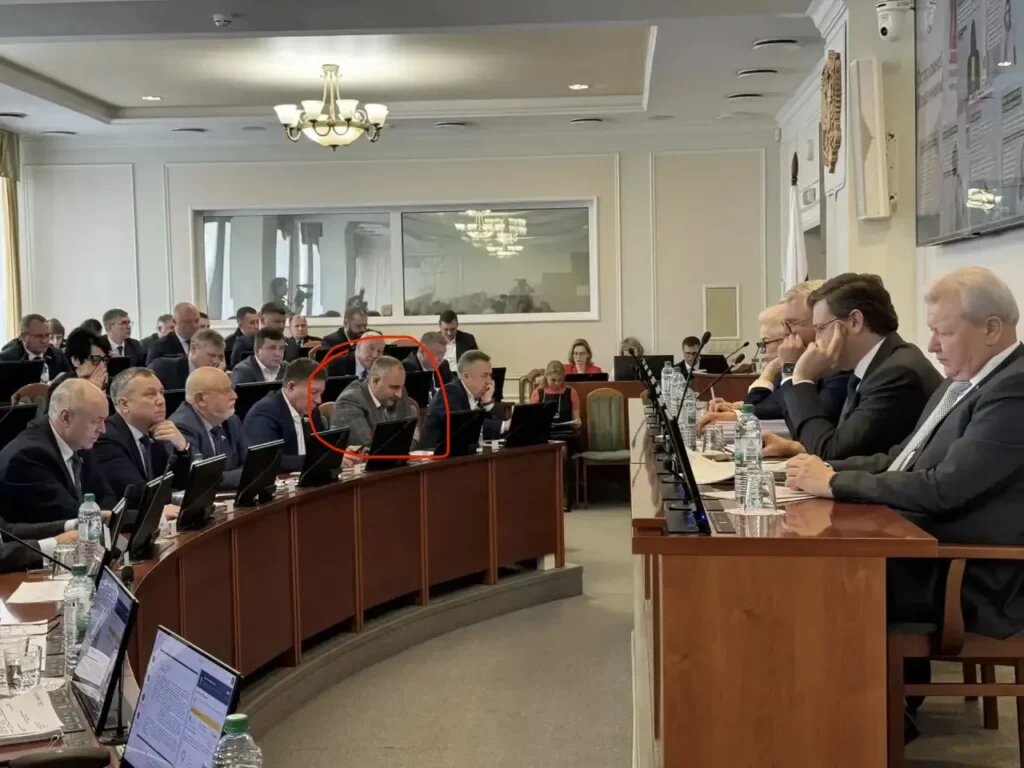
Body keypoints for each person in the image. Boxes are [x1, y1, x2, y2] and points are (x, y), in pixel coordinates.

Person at [786, 267, 1024, 641]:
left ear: (991, 329)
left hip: (972, 575)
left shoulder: (1013, 390)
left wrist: (833, 482)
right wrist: (817, 470)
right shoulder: (963, 381)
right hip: (929, 551)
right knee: (809, 561)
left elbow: (944, 488)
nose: (932, 345)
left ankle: (850, 680)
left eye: (944, 332)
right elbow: (902, 458)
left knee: (817, 574)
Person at [759, 273, 941, 460]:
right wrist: (796, 448)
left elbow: (832, 454)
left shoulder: (897, 374)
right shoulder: (876, 365)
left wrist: (802, 379)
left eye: (820, 328)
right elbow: (844, 444)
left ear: (855, 321)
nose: (816, 340)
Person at [0, 378, 115, 524]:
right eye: (96, 421)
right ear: (65, 418)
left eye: (104, 420)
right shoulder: (28, 457)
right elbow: (69, 516)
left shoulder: (78, 440)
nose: (103, 429)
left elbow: (106, 497)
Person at [93, 368, 190, 519]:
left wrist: (182, 448)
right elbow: (135, 494)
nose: (161, 401)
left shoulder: (153, 432)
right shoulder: (107, 439)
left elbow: (177, 484)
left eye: (161, 393)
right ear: (124, 404)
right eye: (150, 394)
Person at [701, 304, 788, 431]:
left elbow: (760, 406)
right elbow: (768, 405)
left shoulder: (800, 372)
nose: (762, 351)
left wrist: (767, 374)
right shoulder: (783, 371)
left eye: (765, 342)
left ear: (786, 341)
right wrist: (736, 407)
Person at [243, 359, 329, 473]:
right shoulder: (264, 413)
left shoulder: (312, 411)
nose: (319, 400)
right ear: (291, 387)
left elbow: (321, 449)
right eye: (313, 392)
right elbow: (266, 461)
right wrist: (317, 461)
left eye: (321, 393)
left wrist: (338, 455)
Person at [170, 367, 248, 489]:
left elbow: (252, 466)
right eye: (226, 391)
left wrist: (222, 477)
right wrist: (242, 475)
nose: (235, 396)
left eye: (232, 389)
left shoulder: (232, 421)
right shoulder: (182, 427)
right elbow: (201, 478)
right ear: (201, 399)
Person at [421, 350, 506, 452]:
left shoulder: (478, 395)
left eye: (490, 375)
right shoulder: (450, 392)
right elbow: (465, 426)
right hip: (433, 457)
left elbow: (496, 436)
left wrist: (487, 402)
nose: (489, 381)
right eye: (484, 375)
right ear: (466, 377)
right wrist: (503, 426)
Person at [332, 356, 419, 448]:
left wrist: (409, 441)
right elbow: (369, 449)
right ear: (375, 381)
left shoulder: (398, 390)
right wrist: (408, 441)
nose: (400, 394)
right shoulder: (349, 401)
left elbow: (411, 437)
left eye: (401, 386)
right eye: (394, 387)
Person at [47, 328, 110, 408]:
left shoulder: (112, 384)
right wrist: (92, 393)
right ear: (75, 360)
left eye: (105, 360)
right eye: (96, 359)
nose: (102, 365)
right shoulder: (60, 388)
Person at [0, 314, 71, 382]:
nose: (44, 341)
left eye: (47, 335)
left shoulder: (58, 355)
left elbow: (71, 379)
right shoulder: (6, 359)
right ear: (23, 337)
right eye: (39, 336)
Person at [149, 329, 226, 392]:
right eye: (212, 355)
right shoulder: (162, 368)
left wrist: (216, 380)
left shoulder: (220, 373)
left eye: (220, 357)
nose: (216, 361)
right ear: (193, 349)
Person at [230, 302, 299, 368]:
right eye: (277, 322)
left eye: (283, 322)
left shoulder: (291, 345)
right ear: (262, 321)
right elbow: (234, 370)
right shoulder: (243, 343)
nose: (281, 326)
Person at [529, 360, 581, 425]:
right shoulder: (537, 393)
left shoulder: (571, 392)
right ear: (546, 376)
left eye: (560, 379)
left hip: (566, 430)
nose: (557, 383)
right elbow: (532, 420)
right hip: (544, 430)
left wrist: (577, 423)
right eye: (553, 380)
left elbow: (576, 421)